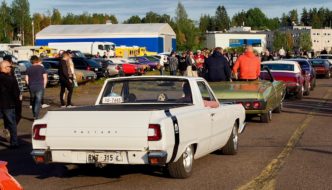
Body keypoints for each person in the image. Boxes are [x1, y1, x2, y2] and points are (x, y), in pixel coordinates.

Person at [0, 60, 20, 148]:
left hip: (3, 103)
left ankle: (12, 139)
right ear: (5, 68)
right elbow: (16, 93)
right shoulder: (11, 79)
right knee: (12, 123)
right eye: (10, 67)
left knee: (10, 123)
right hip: (8, 104)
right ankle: (14, 142)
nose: (11, 68)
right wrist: (17, 102)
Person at [3, 55, 24, 124]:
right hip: (15, 93)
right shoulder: (15, 69)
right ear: (11, 62)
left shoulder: (1, 69)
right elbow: (19, 82)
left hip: (5, 95)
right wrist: (20, 94)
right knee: (17, 113)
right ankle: (12, 128)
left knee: (6, 113)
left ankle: (8, 127)